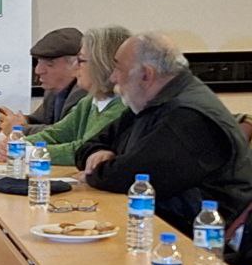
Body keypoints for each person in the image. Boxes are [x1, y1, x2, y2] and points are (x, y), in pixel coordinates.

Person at [75, 33, 252, 248]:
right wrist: (96, 153)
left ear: (146, 75)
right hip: (161, 229)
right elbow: (88, 146)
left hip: (203, 243)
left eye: (118, 69)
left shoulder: (189, 117)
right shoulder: (149, 103)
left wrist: (97, 169)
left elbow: (131, 179)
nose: (113, 78)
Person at [0, 26, 130, 166]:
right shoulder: (89, 101)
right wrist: (18, 143)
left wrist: (27, 152)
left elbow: (83, 148)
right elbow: (57, 133)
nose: (75, 67)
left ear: (101, 64)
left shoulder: (121, 106)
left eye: (81, 60)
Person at [0, 27, 85, 133]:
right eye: (38, 62)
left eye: (49, 64)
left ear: (76, 65)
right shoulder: (53, 90)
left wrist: (20, 128)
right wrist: (21, 120)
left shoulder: (84, 92)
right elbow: (38, 120)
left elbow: (66, 132)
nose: (38, 71)